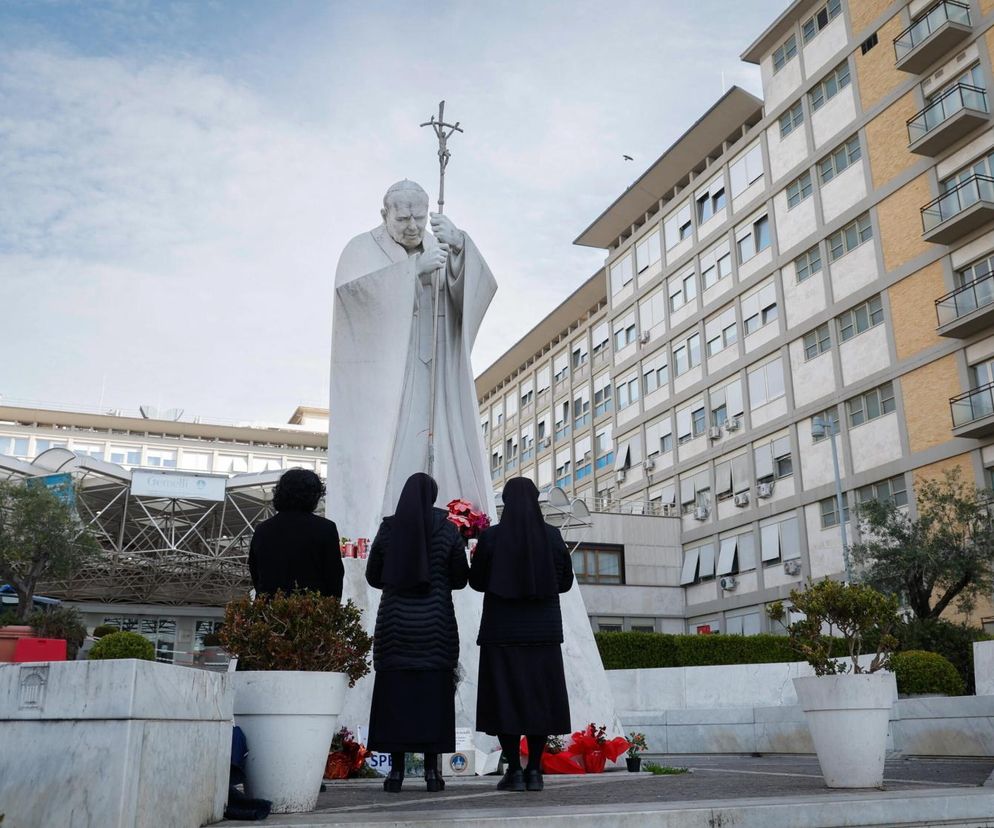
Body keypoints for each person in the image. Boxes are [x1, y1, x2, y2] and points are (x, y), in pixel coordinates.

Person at [328, 179, 497, 540]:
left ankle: (457, 524)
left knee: (440, 440)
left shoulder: (440, 242)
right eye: (402, 217)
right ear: (384, 214)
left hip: (438, 369)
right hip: (391, 373)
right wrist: (414, 272)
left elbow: (474, 295)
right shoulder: (361, 249)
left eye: (419, 218)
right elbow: (352, 303)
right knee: (396, 450)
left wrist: (461, 247)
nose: (412, 226)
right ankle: (380, 523)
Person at [365, 472, 469, 793]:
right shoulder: (449, 530)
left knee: (396, 700)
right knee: (432, 701)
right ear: (434, 497)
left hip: (394, 631)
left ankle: (395, 773)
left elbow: (373, 576)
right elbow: (461, 578)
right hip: (435, 631)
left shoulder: (389, 528)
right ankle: (432, 774)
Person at [469, 477, 574, 793]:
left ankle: (514, 769)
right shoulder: (552, 536)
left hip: (501, 633)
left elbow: (476, 582)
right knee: (539, 701)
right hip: (542, 633)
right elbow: (565, 582)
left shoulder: (491, 538)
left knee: (506, 701)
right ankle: (535, 771)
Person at [248, 468, 344, 599]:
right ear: (314, 496)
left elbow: (256, 573)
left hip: (270, 610)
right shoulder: (326, 528)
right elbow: (334, 576)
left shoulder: (262, 529)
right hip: (313, 610)